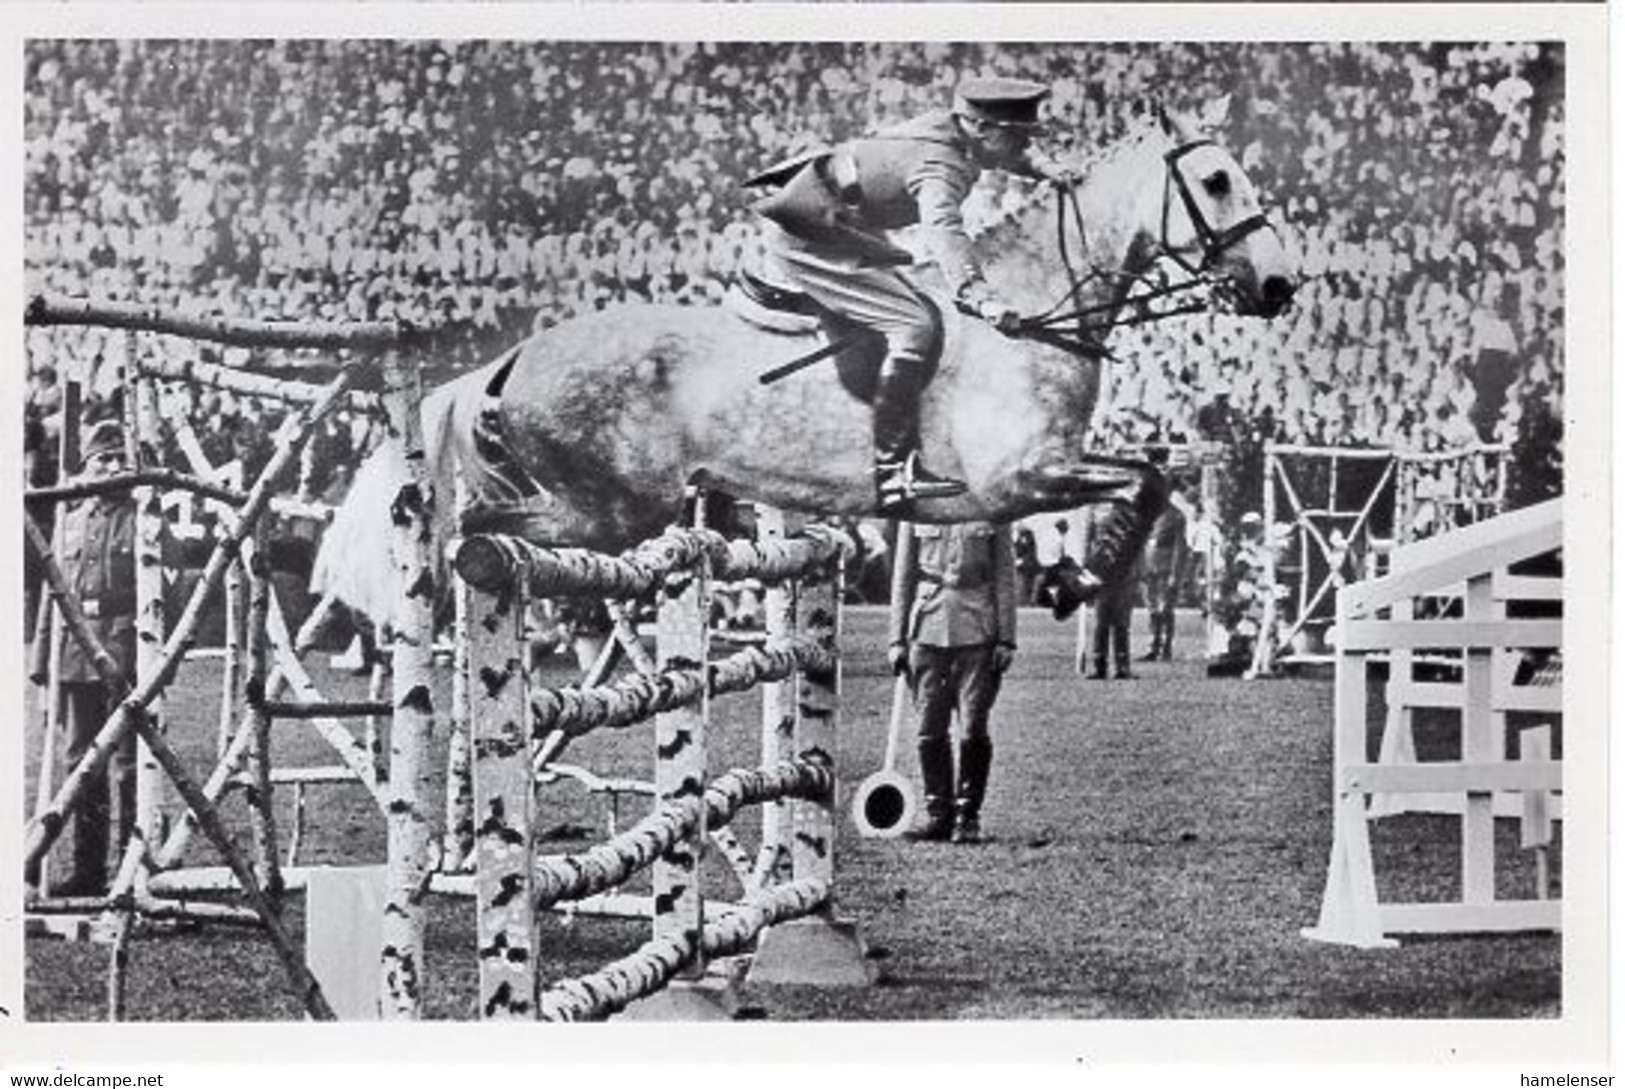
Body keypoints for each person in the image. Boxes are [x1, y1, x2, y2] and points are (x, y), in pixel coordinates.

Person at [749, 75, 1067, 515]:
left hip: (838, 218)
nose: (1019, 148)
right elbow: (944, 231)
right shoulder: (942, 165)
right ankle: (894, 471)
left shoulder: (950, 129)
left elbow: (1000, 155)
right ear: (977, 127)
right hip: (812, 234)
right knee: (913, 324)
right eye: (1014, 137)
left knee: (919, 309)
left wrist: (1045, 168)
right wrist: (979, 294)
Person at [29, 418, 138, 897]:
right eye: (103, 459)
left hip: (127, 651)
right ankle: (88, 869)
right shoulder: (68, 521)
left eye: (120, 457)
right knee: (81, 763)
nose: (113, 466)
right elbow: (53, 595)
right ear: (85, 466)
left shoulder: (143, 515)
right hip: (75, 655)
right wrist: (40, 663)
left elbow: (170, 587)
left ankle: (133, 866)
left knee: (130, 765)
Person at [887, 520, 1017, 843]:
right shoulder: (916, 506)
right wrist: (896, 640)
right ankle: (939, 814)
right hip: (927, 625)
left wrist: (1007, 639)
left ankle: (967, 815)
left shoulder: (990, 505)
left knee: (973, 724)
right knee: (929, 725)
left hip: (978, 627)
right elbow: (903, 575)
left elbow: (1004, 575)